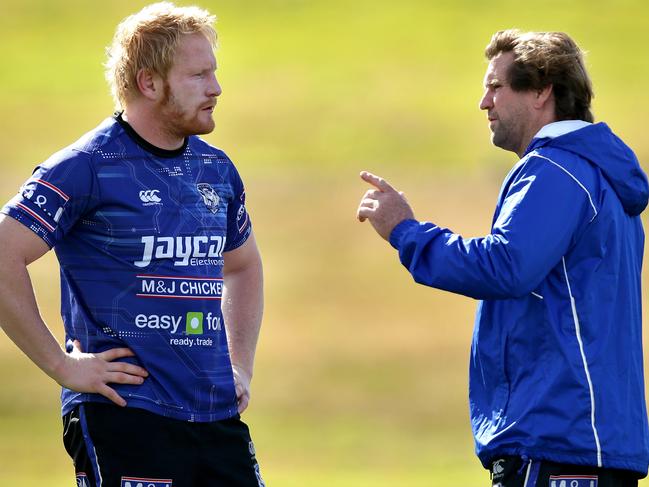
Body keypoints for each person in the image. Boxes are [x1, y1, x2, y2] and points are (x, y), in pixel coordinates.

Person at [357, 29, 649, 486]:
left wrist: (406, 232)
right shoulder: (597, 176)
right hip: (583, 443)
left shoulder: (556, 170)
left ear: (542, 91)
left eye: (496, 87)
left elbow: (505, 266)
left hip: (557, 440)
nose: (484, 103)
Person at [0, 3, 265, 486]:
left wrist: (239, 364)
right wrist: (60, 365)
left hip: (215, 417)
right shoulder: (85, 165)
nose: (216, 88)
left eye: (215, 73)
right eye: (199, 75)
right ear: (149, 83)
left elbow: (243, 266)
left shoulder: (216, 169)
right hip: (126, 415)